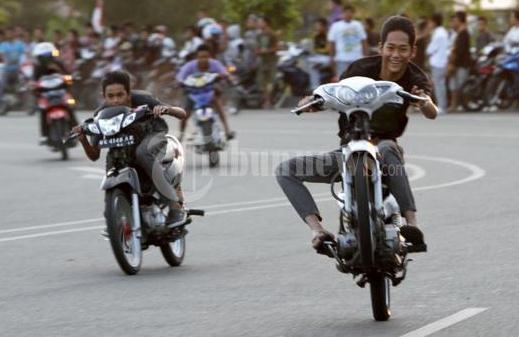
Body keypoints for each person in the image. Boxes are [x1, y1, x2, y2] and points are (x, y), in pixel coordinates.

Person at [276, 15, 438, 255]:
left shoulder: (415, 78)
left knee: (386, 148)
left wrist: (424, 102)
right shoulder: (360, 69)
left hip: (385, 152)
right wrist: (313, 101)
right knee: (286, 170)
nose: (396, 54)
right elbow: (335, 92)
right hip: (348, 152)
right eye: (390, 47)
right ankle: (318, 231)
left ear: (412, 51)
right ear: (381, 47)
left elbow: (430, 109)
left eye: (403, 49)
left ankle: (412, 226)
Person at [72, 70, 188, 226]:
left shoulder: (142, 99)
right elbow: (94, 155)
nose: (116, 100)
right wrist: (83, 139)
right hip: (122, 150)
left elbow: (182, 114)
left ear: (128, 93)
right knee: (113, 168)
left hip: (152, 135)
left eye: (120, 95)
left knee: (142, 152)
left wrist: (165, 109)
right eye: (110, 96)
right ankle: (117, 219)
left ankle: (175, 207)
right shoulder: (100, 115)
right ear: (104, 96)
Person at [176, 44, 235, 141]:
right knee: (185, 113)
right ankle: (181, 135)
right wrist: (179, 83)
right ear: (196, 57)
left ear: (210, 56)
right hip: (193, 93)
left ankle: (227, 130)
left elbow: (224, 73)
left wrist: (228, 77)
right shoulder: (189, 66)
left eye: (206, 57)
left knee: (218, 103)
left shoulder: (215, 64)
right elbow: (180, 77)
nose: (203, 59)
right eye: (201, 57)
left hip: (209, 92)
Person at [32, 42, 77, 145]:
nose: (47, 59)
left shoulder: (59, 64)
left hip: (61, 93)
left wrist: (68, 77)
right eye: (44, 57)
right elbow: (33, 82)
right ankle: (44, 135)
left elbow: (68, 77)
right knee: (42, 110)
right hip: (45, 95)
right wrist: (33, 86)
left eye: (49, 56)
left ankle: (76, 130)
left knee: (70, 107)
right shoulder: (37, 68)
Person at [327, 4, 368, 79]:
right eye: (346, 12)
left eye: (350, 12)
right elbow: (332, 43)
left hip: (357, 59)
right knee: (342, 80)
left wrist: (365, 57)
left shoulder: (358, 25)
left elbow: (364, 41)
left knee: (358, 80)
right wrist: (331, 58)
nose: (348, 14)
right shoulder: (336, 26)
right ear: (342, 14)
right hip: (341, 59)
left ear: (353, 14)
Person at [447, 11, 471, 112]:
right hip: (457, 64)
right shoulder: (458, 33)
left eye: (455, 20)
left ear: (460, 21)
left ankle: (457, 105)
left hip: (461, 65)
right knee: (454, 85)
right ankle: (454, 105)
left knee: (459, 85)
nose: (453, 22)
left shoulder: (463, 33)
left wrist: (453, 64)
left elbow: (459, 51)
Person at [426, 13, 449, 115]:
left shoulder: (438, 34)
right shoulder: (443, 32)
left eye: (430, 22)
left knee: (439, 84)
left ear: (434, 22)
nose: (429, 24)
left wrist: (427, 51)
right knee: (440, 84)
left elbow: (430, 49)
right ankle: (441, 105)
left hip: (438, 62)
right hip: (441, 61)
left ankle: (442, 106)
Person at [255, 16, 278, 108]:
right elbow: (257, 47)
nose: (259, 24)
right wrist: (257, 51)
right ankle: (265, 100)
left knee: (270, 81)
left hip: (271, 61)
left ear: (266, 23)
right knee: (262, 81)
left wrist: (267, 51)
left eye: (260, 22)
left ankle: (268, 101)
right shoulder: (259, 35)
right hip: (262, 61)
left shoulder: (272, 34)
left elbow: (276, 47)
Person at [306, 18, 330, 89]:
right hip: (320, 57)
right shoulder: (316, 36)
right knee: (308, 61)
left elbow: (328, 50)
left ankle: (315, 87)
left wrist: (318, 51)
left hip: (329, 58)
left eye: (318, 26)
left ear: (324, 26)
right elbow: (314, 48)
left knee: (313, 66)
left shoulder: (329, 35)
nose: (316, 27)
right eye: (316, 26)